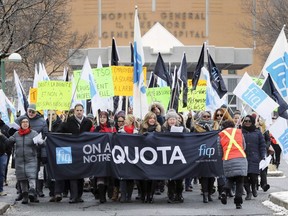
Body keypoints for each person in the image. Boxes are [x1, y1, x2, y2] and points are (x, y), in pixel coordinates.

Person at [0, 116, 46, 204]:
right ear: (21, 124)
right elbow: (8, 142)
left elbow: (42, 144)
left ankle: (32, 192)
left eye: (27, 122)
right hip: (19, 160)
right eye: (23, 122)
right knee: (22, 178)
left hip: (31, 159)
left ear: (29, 124)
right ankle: (25, 196)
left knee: (31, 176)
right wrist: (2, 136)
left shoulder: (34, 133)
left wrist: (42, 142)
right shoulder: (17, 134)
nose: (25, 123)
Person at [57, 103, 92, 203]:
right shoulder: (69, 121)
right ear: (74, 111)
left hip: (82, 151)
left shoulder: (88, 122)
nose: (79, 112)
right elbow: (60, 132)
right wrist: (62, 124)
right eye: (77, 110)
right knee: (72, 174)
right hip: (71, 150)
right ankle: (73, 196)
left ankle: (79, 196)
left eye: (81, 110)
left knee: (81, 173)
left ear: (83, 111)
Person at [14, 104, 48, 200]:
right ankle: (22, 193)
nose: (31, 113)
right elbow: (12, 134)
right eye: (29, 111)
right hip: (20, 154)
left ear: (36, 112)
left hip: (34, 153)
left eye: (33, 111)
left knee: (33, 174)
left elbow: (44, 138)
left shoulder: (41, 122)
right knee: (21, 174)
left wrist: (44, 153)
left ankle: (35, 193)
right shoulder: (19, 119)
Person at [219, 120, 248, 209]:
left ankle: (224, 191)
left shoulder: (221, 134)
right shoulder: (239, 132)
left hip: (228, 158)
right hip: (240, 158)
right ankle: (238, 203)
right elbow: (244, 146)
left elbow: (219, 150)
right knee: (240, 182)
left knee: (230, 179)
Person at [162, 109, 189, 203]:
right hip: (168, 156)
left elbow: (187, 139)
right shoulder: (163, 129)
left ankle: (179, 194)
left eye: (174, 119)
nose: (172, 121)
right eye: (170, 119)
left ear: (177, 120)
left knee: (179, 178)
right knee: (170, 178)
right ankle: (171, 195)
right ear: (167, 120)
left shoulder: (183, 128)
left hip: (179, 156)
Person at [191, 110, 217, 203]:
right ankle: (205, 194)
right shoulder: (196, 127)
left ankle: (210, 193)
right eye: (204, 116)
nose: (206, 118)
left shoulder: (215, 126)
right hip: (201, 153)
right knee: (204, 176)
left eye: (208, 116)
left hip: (213, 153)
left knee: (212, 176)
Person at [93, 111, 116, 203]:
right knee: (100, 175)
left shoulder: (112, 128)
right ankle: (102, 196)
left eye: (104, 117)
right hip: (99, 156)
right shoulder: (96, 129)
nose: (102, 119)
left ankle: (108, 192)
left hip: (109, 155)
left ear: (107, 119)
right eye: (101, 117)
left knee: (108, 175)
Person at [241, 115, 266, 200]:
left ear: (252, 122)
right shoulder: (239, 132)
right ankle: (248, 192)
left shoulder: (257, 132)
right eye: (245, 121)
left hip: (254, 157)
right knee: (244, 176)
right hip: (243, 157)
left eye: (249, 121)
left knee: (253, 176)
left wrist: (263, 155)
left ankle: (254, 187)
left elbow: (262, 145)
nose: (247, 123)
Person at [139, 112, 161, 203]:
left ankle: (150, 195)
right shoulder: (142, 129)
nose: (152, 120)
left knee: (153, 176)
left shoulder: (159, 129)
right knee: (143, 176)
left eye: (154, 118)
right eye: (150, 118)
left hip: (155, 155)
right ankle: (144, 194)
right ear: (147, 119)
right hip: (144, 155)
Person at [118, 114, 139, 203]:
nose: (124, 121)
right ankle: (123, 195)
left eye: (126, 119)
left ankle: (129, 196)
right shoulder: (121, 131)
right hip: (123, 156)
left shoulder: (136, 132)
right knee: (123, 176)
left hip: (133, 156)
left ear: (130, 121)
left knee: (131, 176)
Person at [0, 112, 10, 196]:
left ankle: (1, 190)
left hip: (2, 153)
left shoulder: (5, 127)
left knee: (1, 172)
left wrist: (1, 135)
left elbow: (9, 141)